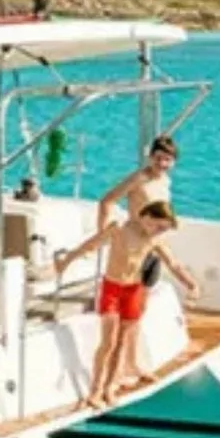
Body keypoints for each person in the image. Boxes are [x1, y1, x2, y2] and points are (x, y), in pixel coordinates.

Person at [56, 200, 200, 407]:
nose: (159, 232)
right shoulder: (119, 229)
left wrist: (191, 284)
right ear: (146, 217)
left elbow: (173, 263)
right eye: (159, 227)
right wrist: (66, 261)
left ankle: (110, 387)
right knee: (109, 342)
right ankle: (95, 391)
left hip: (134, 290)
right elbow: (90, 245)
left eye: (164, 230)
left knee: (122, 341)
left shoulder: (154, 240)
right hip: (112, 289)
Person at [97, 135, 177, 228]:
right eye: (158, 158)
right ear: (151, 157)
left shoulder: (166, 180)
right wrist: (102, 234)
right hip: (134, 237)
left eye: (167, 159)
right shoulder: (139, 178)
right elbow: (106, 201)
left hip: (153, 238)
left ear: (174, 162)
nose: (162, 163)